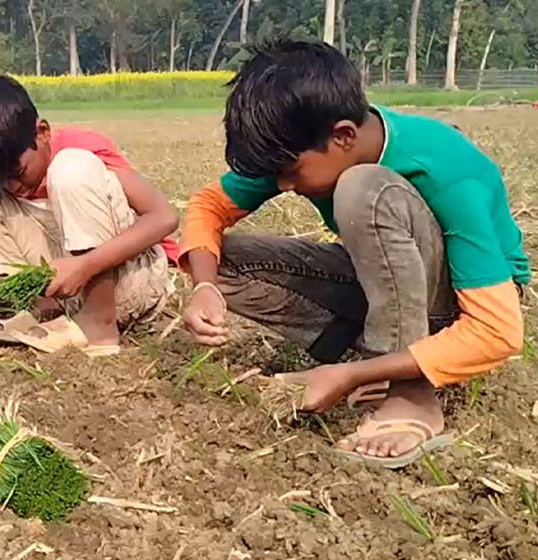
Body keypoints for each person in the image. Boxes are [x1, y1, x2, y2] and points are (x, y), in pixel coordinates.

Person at [180, 39, 529, 468]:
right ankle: (370, 351)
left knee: (364, 190)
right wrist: (204, 287)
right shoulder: (309, 141)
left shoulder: (447, 167)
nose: (284, 187)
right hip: (386, 285)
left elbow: (499, 331)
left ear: (343, 136)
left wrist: (350, 376)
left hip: (457, 304)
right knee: (225, 262)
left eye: (290, 174)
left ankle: (409, 394)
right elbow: (207, 207)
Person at [0, 75, 179, 356]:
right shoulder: (5, 180)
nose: (12, 188)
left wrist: (86, 265)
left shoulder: (79, 150)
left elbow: (164, 217)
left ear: (42, 132)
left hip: (129, 282)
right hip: (63, 291)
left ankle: (99, 322)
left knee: (70, 170)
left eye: (17, 173)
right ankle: (41, 309)